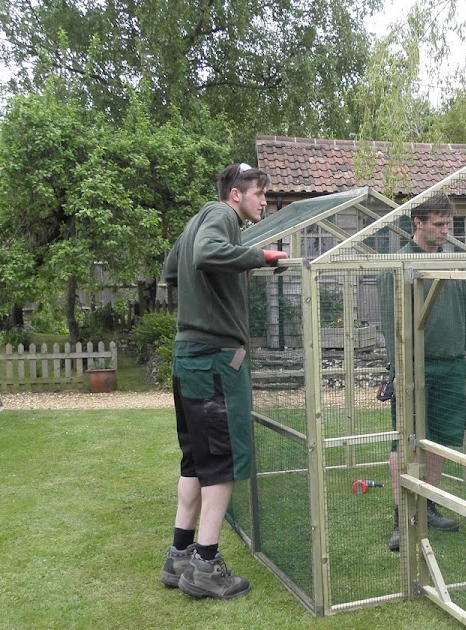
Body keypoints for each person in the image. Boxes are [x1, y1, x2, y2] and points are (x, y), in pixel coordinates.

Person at [158, 163, 288, 599]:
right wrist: (260, 256)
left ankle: (180, 554)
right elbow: (206, 255)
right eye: (259, 194)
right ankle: (207, 565)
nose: (264, 201)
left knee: (195, 460)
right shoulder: (220, 218)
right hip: (215, 359)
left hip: (189, 355)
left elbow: (173, 271)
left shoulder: (194, 221)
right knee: (224, 462)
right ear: (236, 195)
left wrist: (220, 285)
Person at [378, 195, 466, 552]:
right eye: (438, 224)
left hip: (453, 367)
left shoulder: (455, 264)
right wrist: (398, 367)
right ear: (417, 223)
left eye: (447, 224)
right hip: (413, 368)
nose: (445, 230)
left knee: (439, 439)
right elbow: (391, 323)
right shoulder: (399, 263)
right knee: (404, 440)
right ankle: (401, 518)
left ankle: (428, 506)